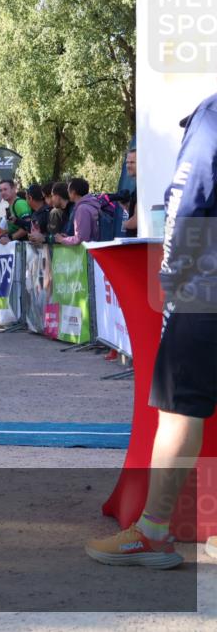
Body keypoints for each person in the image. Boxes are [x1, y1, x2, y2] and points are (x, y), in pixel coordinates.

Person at [86, 92, 217, 569]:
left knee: (178, 410)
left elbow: (189, 196)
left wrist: (173, 275)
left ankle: (154, 532)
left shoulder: (212, 114)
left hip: (208, 286)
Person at [54, 178, 101, 245]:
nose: (67, 193)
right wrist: (68, 238)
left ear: (73, 192)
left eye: (68, 191)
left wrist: (63, 240)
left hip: (88, 252)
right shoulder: (91, 204)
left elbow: (82, 239)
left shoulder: (82, 209)